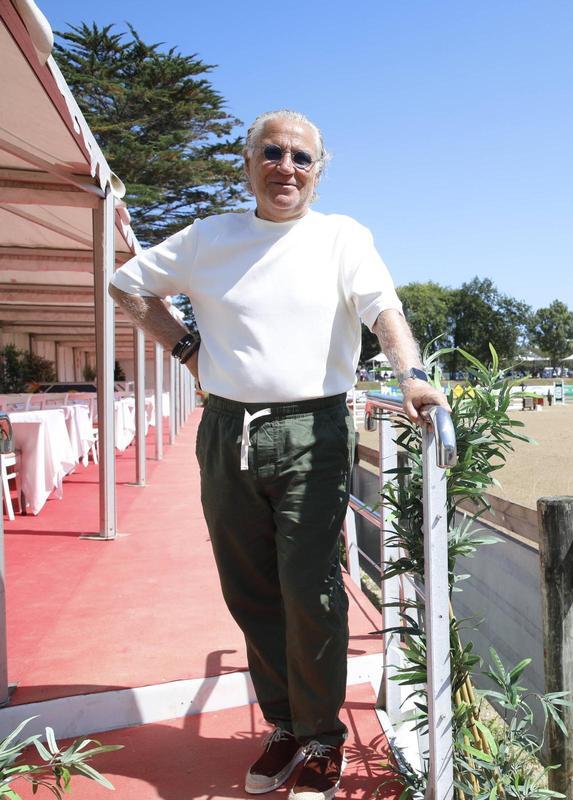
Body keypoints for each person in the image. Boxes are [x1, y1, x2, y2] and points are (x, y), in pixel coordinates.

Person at [109, 109, 448, 800]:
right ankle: (287, 725)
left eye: (300, 157)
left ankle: (324, 735)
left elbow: (384, 311)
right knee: (250, 587)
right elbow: (127, 285)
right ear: (248, 161)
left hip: (314, 432)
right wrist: (185, 348)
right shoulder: (211, 237)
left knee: (312, 588)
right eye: (272, 152)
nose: (285, 167)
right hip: (226, 431)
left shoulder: (341, 238)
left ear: (319, 172)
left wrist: (411, 376)